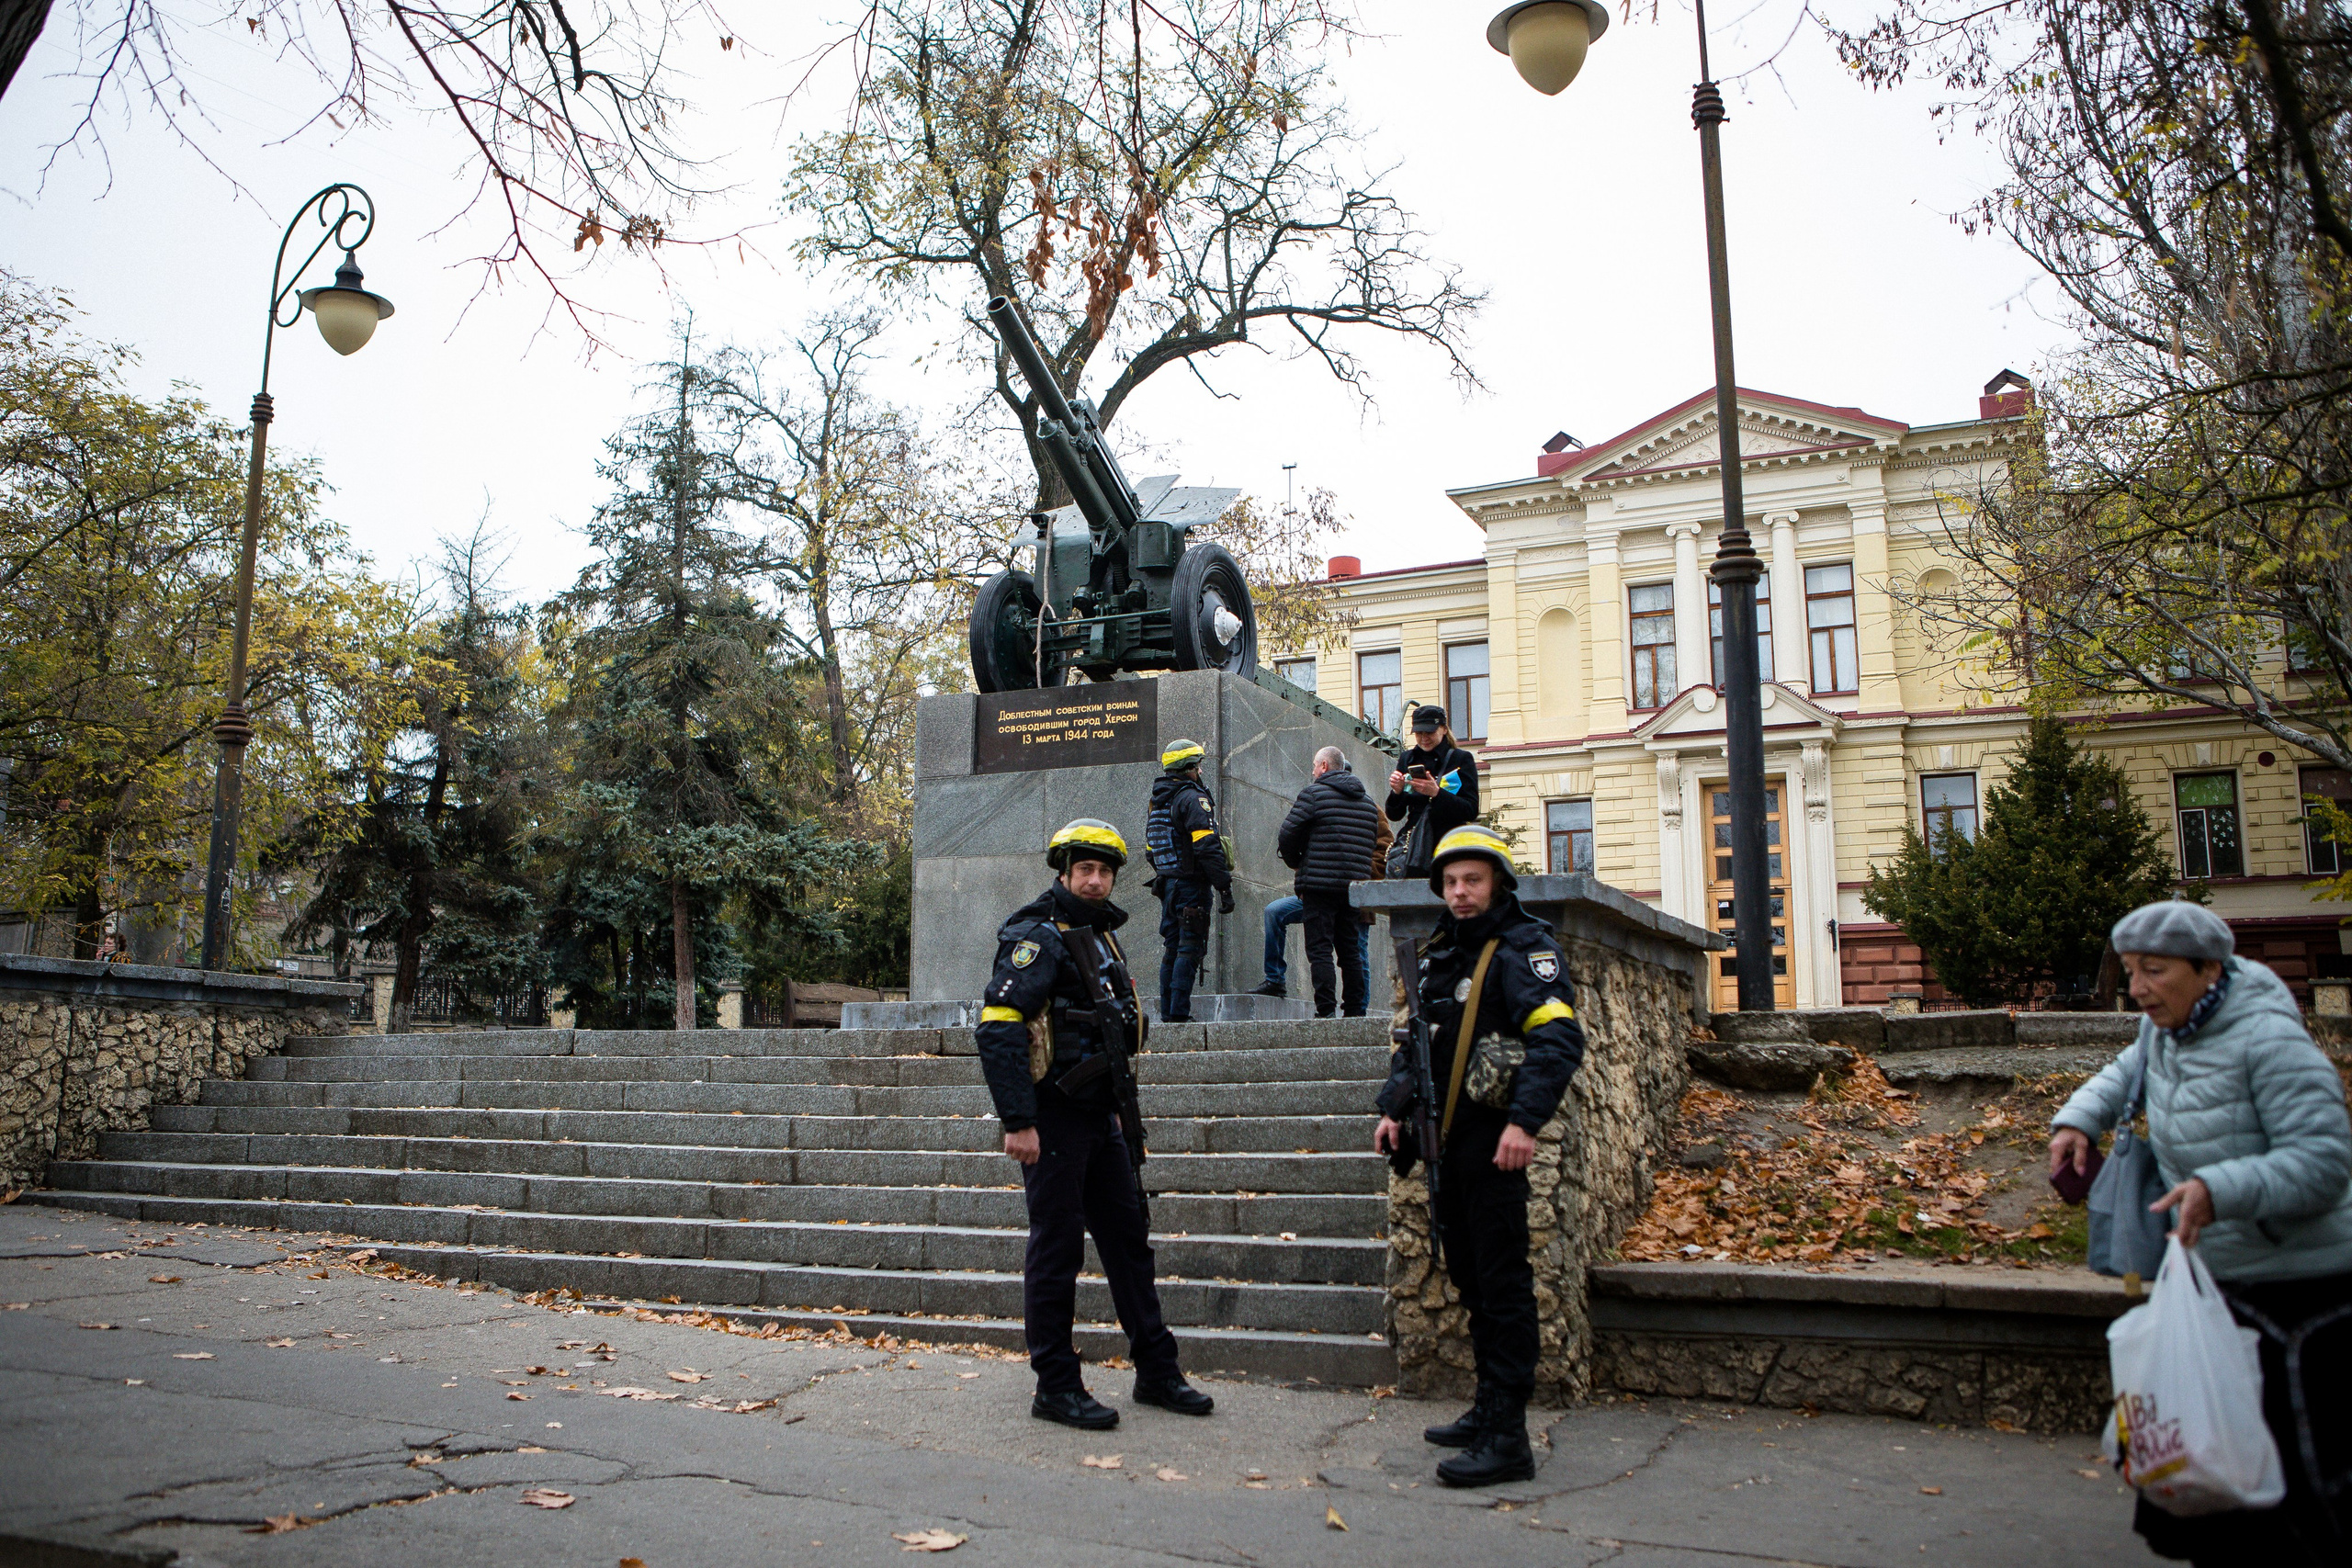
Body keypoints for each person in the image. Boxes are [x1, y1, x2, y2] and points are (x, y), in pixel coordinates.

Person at [2049, 900, 2352, 1565]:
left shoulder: (2267, 1038)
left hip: (2299, 1301)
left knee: (2295, 1500)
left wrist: (2222, 1188)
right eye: (2130, 970)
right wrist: (2077, 1119)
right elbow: (2127, 1070)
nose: (2138, 988)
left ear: (2209, 968)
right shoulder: (2167, 1028)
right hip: (2220, 1283)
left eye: (2154, 970)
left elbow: (2327, 1161)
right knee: (2215, 1490)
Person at [975, 818, 1217, 1430]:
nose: (1094, 878)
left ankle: (1157, 1368)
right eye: (1084, 868)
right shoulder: (1037, 934)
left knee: (1128, 1241)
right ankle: (1055, 1384)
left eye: (1104, 871)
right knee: (1057, 1248)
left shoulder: (1102, 936)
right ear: (1064, 871)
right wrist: (1018, 1120)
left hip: (1102, 1114)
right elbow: (999, 1026)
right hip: (1053, 1117)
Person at [1373, 825, 1586, 1487]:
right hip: (1448, 1141)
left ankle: (1508, 1435)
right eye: (1452, 882)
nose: (1461, 893)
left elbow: (1558, 1042)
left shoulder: (1525, 949)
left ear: (1497, 882)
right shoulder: (1443, 951)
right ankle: (1487, 1405)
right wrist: (1393, 1107)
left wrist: (1524, 1123)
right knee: (1468, 1273)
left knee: (1502, 1284)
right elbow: (1421, 1045)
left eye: (1473, 880)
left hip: (1498, 1144)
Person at [1277, 746, 1380, 1018]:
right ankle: (1356, 1010)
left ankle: (1325, 1011)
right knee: (1350, 950)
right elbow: (1370, 844)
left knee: (1320, 949)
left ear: (1324, 766)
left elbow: (1287, 834)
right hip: (1353, 888)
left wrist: (1296, 862)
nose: (1312, 771)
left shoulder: (1313, 794)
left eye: (1314, 765)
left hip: (1319, 886)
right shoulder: (1368, 804)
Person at [1257, 799, 1388, 1000]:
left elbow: (1385, 850)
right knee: (1275, 912)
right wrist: (1303, 869)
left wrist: (1357, 872)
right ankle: (1275, 979)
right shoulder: (1319, 803)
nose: (1313, 772)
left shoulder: (1368, 808)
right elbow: (1292, 837)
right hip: (1319, 891)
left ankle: (1359, 1012)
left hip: (1353, 896)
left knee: (1356, 953)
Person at [1145, 739, 1233, 1023]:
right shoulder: (1192, 798)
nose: (1200, 771)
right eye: (1197, 766)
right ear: (1188, 768)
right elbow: (1206, 846)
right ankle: (1179, 1014)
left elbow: (1151, 849)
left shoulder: (1157, 799)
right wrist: (1224, 886)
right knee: (1189, 947)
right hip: (1191, 887)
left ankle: (1170, 1012)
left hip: (1168, 885)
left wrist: (1167, 874)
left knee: (1172, 948)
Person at [1385, 705, 1479, 878]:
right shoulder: (1407, 758)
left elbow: (1471, 810)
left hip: (1449, 843)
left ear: (1443, 729)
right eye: (1419, 733)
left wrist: (1437, 794)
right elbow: (1394, 815)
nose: (1423, 738)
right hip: (1415, 846)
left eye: (1429, 732)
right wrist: (1396, 792)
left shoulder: (1461, 759)